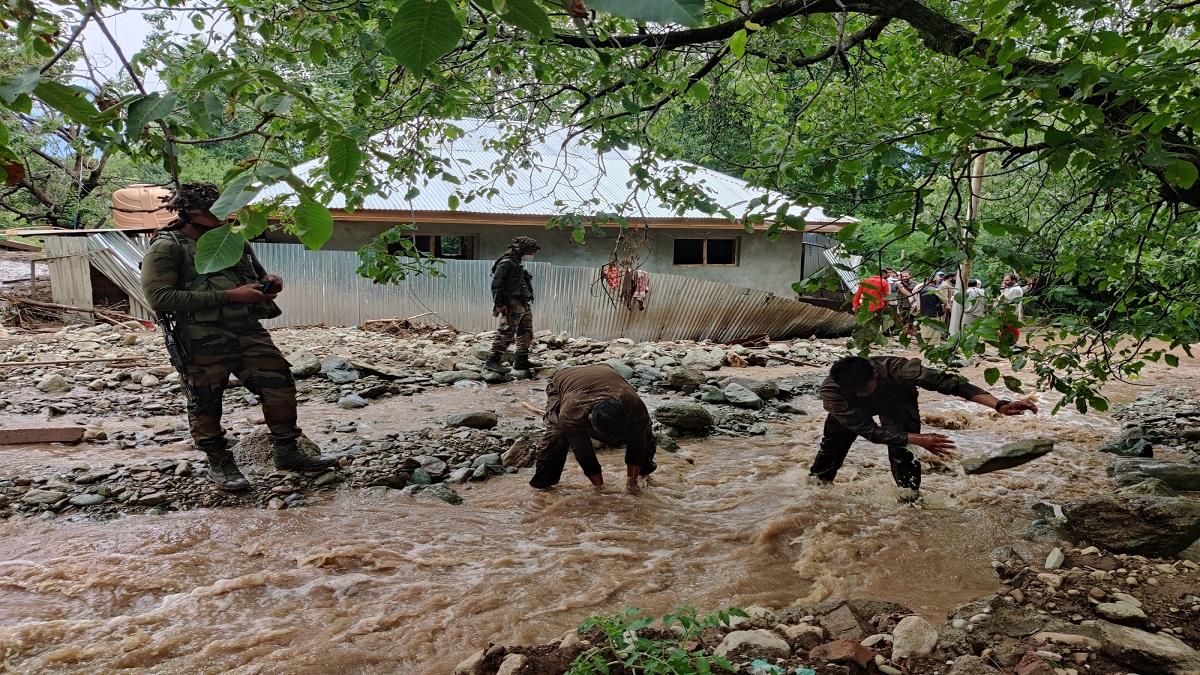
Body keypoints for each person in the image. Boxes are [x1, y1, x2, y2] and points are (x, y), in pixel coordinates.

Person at [141, 182, 336, 491]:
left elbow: (258, 277)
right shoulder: (168, 246)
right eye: (214, 211)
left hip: (247, 330)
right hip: (199, 337)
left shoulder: (233, 240)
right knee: (205, 400)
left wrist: (270, 282)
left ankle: (287, 451)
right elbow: (160, 298)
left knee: (280, 384)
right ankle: (219, 462)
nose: (224, 216)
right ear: (191, 213)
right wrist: (232, 295)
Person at [808, 356, 1038, 503]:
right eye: (854, 391)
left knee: (903, 454)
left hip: (896, 401)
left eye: (864, 388)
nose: (860, 393)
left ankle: (909, 499)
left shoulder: (902, 371)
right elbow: (870, 431)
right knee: (832, 448)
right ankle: (817, 490)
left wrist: (999, 405)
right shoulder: (832, 392)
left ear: (875, 374)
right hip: (851, 412)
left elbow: (952, 384)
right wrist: (919, 439)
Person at [530, 364, 657, 494]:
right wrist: (599, 488)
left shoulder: (635, 405)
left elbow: (637, 442)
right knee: (558, 434)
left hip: (607, 375)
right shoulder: (571, 412)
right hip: (564, 382)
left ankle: (644, 473)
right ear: (589, 419)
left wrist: (631, 482)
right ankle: (543, 486)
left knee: (643, 430)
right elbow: (583, 453)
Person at [485, 236, 542, 373]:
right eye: (530, 251)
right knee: (506, 332)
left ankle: (521, 361)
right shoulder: (507, 263)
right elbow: (496, 284)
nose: (531, 254)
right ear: (522, 250)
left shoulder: (516, 262)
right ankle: (492, 361)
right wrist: (499, 304)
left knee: (526, 331)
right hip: (511, 303)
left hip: (522, 302)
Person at [916, 275, 945, 344]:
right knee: (934, 334)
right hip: (934, 313)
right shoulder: (935, 290)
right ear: (936, 280)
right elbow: (944, 300)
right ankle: (931, 349)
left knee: (925, 333)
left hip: (924, 314)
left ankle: (926, 347)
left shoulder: (921, 289)